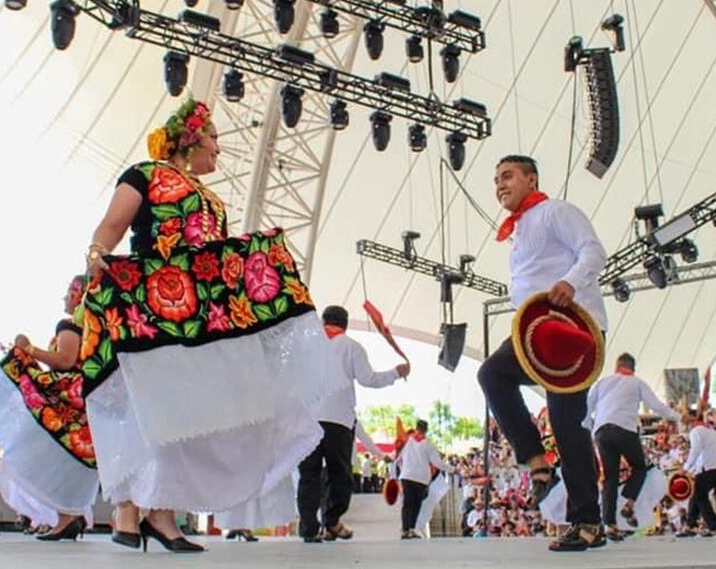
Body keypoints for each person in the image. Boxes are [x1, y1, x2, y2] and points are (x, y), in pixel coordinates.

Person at [78, 97, 345, 552]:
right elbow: (111, 226)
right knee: (146, 406)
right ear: (189, 139)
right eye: (214, 139)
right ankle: (127, 507)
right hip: (149, 306)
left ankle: (160, 512)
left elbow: (215, 261)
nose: (219, 150)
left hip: (195, 314)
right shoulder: (144, 175)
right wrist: (96, 254)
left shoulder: (215, 201)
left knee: (186, 413)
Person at [477, 155, 608, 551]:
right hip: (535, 333)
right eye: (496, 178)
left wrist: (569, 282)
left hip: (570, 328)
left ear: (531, 179)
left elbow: (594, 252)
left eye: (508, 176)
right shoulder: (518, 231)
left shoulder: (556, 212)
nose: (500, 184)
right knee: (491, 375)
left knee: (568, 424)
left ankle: (588, 522)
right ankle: (537, 462)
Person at [0, 276, 97, 542]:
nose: (64, 298)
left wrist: (28, 350)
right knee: (65, 458)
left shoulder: (69, 326)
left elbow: (65, 360)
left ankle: (67, 516)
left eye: (68, 292)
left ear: (77, 294)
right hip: (86, 397)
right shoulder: (97, 327)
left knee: (42, 454)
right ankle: (68, 515)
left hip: (69, 399)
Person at [297, 305, 408, 542]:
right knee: (340, 475)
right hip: (337, 421)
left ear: (323, 322)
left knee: (309, 475)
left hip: (306, 420)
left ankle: (308, 528)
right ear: (345, 324)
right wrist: (396, 373)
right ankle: (332, 521)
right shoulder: (352, 347)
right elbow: (369, 379)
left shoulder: (306, 346)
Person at [587, 352, 678, 539]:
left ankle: (609, 525)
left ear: (616, 366)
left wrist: (589, 430)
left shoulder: (603, 382)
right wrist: (676, 416)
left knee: (609, 479)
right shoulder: (637, 382)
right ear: (632, 368)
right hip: (625, 429)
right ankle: (629, 502)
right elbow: (656, 406)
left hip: (602, 431)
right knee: (639, 467)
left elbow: (587, 409)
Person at [677, 409, 716, 537]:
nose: (684, 422)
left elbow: (696, 450)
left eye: (686, 418)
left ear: (693, 418)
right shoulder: (710, 430)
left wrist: (686, 468)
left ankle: (714, 526)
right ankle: (690, 525)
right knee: (696, 494)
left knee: (700, 495)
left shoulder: (696, 431)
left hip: (709, 467)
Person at [397, 420, 445, 539]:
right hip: (421, 479)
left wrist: (388, 458)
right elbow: (437, 462)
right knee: (415, 505)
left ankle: (405, 530)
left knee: (407, 504)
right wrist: (452, 469)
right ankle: (411, 529)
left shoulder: (407, 440)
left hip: (407, 476)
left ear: (416, 427)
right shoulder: (428, 444)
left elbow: (396, 455)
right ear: (426, 429)